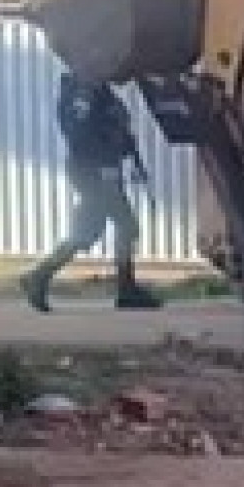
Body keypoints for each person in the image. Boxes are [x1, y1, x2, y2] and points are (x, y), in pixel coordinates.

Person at [21, 72, 161, 312]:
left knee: (95, 230)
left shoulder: (98, 90)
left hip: (101, 168)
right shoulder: (83, 92)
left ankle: (40, 276)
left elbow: (119, 129)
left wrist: (132, 160)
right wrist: (105, 158)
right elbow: (80, 134)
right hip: (93, 169)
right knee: (121, 226)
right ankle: (124, 290)